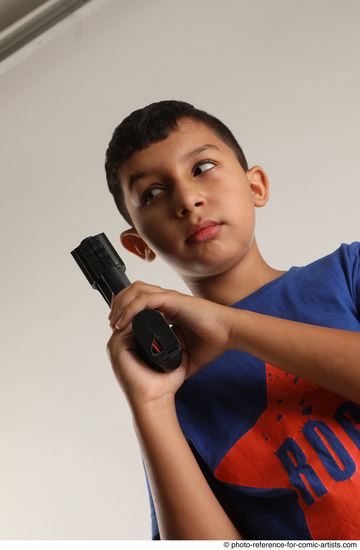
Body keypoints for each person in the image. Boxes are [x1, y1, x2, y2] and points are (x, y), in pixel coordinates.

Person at [104, 100, 360, 540]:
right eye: (152, 193)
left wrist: (230, 327)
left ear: (256, 185)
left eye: (202, 167)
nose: (187, 199)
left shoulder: (348, 272)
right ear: (137, 245)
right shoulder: (173, 386)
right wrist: (151, 406)